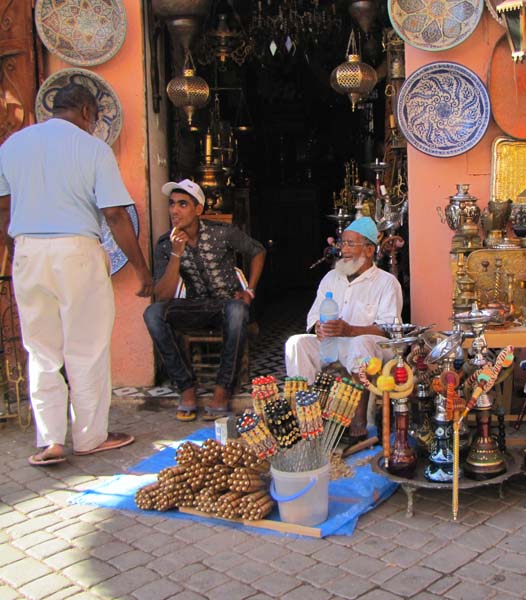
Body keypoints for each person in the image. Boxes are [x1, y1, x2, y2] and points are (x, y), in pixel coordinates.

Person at [0, 83, 153, 466]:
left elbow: (4, 208)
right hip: (76, 251)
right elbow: (116, 215)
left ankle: (50, 441)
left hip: (28, 250)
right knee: (86, 347)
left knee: (40, 349)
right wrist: (141, 269)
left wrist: (13, 250)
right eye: (96, 117)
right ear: (86, 110)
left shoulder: (13, 146)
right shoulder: (93, 149)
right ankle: (90, 437)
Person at [144, 179, 265, 421]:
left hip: (227, 306)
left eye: (182, 204)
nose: (174, 210)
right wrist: (176, 255)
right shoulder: (165, 244)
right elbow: (163, 295)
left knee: (237, 310)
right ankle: (186, 386)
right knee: (153, 313)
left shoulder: (222, 232)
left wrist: (249, 291)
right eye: (171, 204)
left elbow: (258, 250)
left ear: (198, 209)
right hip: (195, 307)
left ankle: (222, 391)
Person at [285, 217, 402, 440]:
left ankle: (357, 422)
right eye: (342, 244)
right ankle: (306, 416)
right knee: (296, 344)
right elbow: (313, 317)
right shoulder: (331, 278)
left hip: (370, 348)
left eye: (350, 244)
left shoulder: (386, 283)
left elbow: (389, 330)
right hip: (333, 344)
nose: (343, 250)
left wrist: (351, 331)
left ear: (369, 250)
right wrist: (318, 327)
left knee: (360, 343)